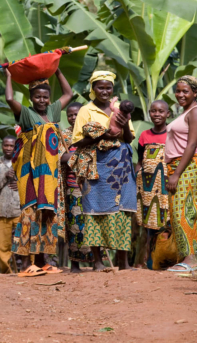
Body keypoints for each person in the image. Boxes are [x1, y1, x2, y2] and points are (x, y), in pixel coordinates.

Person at [5, 68, 74, 277]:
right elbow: (9, 98)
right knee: (29, 214)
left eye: (45, 96)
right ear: (31, 98)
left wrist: (58, 70)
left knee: (47, 215)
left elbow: (68, 94)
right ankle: (26, 264)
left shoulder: (52, 112)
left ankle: (43, 262)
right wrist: (8, 75)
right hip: (30, 175)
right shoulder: (26, 114)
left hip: (50, 175)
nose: (42, 100)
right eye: (37, 96)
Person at [69, 71, 137, 271]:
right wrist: (103, 135)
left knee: (123, 209)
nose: (104, 91)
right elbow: (78, 142)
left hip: (122, 166)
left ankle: (123, 262)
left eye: (108, 87)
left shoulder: (118, 109)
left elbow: (129, 137)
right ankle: (98, 262)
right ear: (93, 89)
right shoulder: (85, 110)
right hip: (97, 165)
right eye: (100, 87)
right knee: (94, 209)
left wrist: (123, 127)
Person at [164, 75, 197, 272]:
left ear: (195, 93)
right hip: (180, 166)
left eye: (185, 91)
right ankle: (188, 259)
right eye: (178, 91)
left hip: (189, 166)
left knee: (184, 211)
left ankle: (191, 261)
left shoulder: (196, 112)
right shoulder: (186, 112)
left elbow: (191, 145)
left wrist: (176, 174)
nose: (180, 94)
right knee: (181, 212)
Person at [134, 100, 171, 267]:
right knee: (149, 226)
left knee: (167, 222)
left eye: (161, 111)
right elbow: (140, 160)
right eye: (154, 111)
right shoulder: (144, 135)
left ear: (168, 114)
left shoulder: (172, 134)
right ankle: (149, 263)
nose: (157, 114)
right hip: (147, 187)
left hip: (166, 185)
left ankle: (167, 260)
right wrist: (136, 175)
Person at [60, 102, 92, 273]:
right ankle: (74, 264)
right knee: (74, 225)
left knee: (92, 224)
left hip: (91, 186)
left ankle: (96, 262)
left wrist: (74, 156)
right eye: (70, 115)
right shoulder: (64, 135)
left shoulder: (91, 133)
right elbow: (60, 157)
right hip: (72, 187)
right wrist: (77, 156)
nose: (73, 118)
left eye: (76, 114)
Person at [0, 136, 21, 273]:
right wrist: (4, 176)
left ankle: (28, 269)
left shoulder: (22, 162)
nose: (9, 148)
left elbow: (32, 183)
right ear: (2, 146)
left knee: (26, 241)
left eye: (12, 146)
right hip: (1, 210)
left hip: (20, 209)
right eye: (6, 145)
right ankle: (6, 272)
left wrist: (20, 184)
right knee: (2, 246)